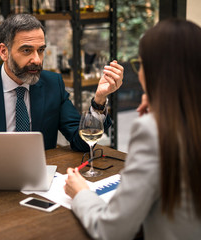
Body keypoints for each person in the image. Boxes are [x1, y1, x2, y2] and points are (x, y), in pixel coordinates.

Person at [64, 18, 201, 239]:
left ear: (156, 70)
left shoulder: (153, 130)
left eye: (141, 64)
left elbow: (110, 230)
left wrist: (81, 193)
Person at [0, 14, 124, 151]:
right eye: (27, 50)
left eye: (40, 50)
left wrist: (100, 99)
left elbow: (81, 141)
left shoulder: (53, 84)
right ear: (4, 52)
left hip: (41, 179)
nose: (37, 60)